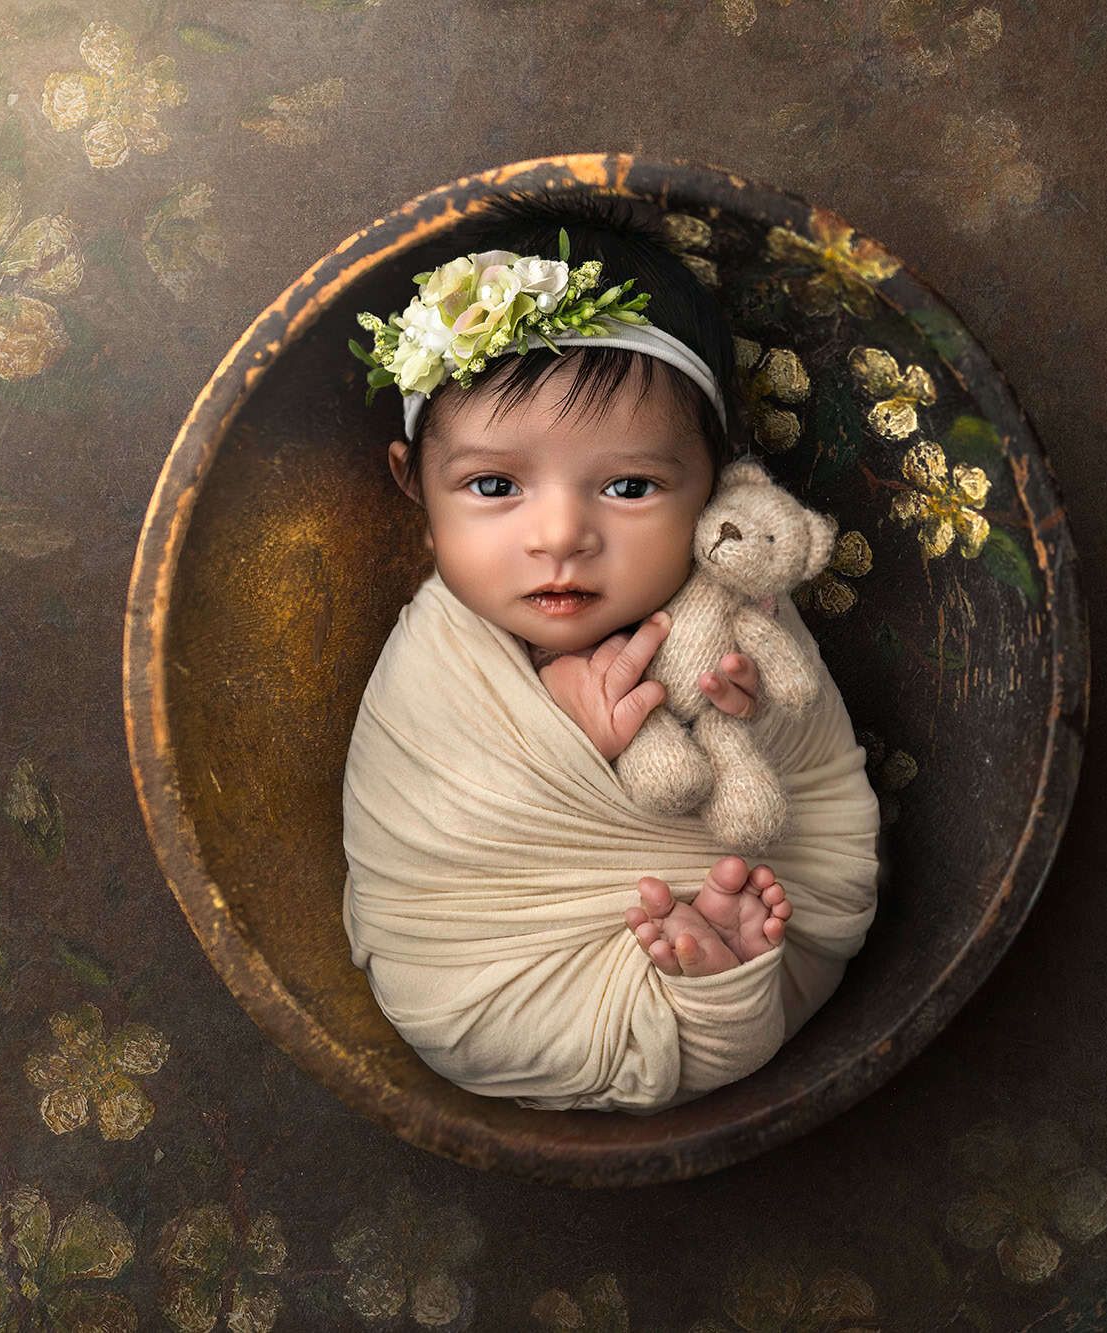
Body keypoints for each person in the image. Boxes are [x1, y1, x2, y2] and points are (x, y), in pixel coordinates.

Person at [338, 190, 882, 1112]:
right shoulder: (437, 656)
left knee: (775, 896)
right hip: (493, 969)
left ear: (718, 479)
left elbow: (812, 787)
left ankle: (722, 972)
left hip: (760, 909)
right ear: (413, 484)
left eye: (629, 484)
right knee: (479, 1015)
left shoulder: (738, 606)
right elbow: (424, 830)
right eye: (494, 484)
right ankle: (713, 982)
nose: (561, 535)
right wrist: (559, 747)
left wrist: (745, 707)